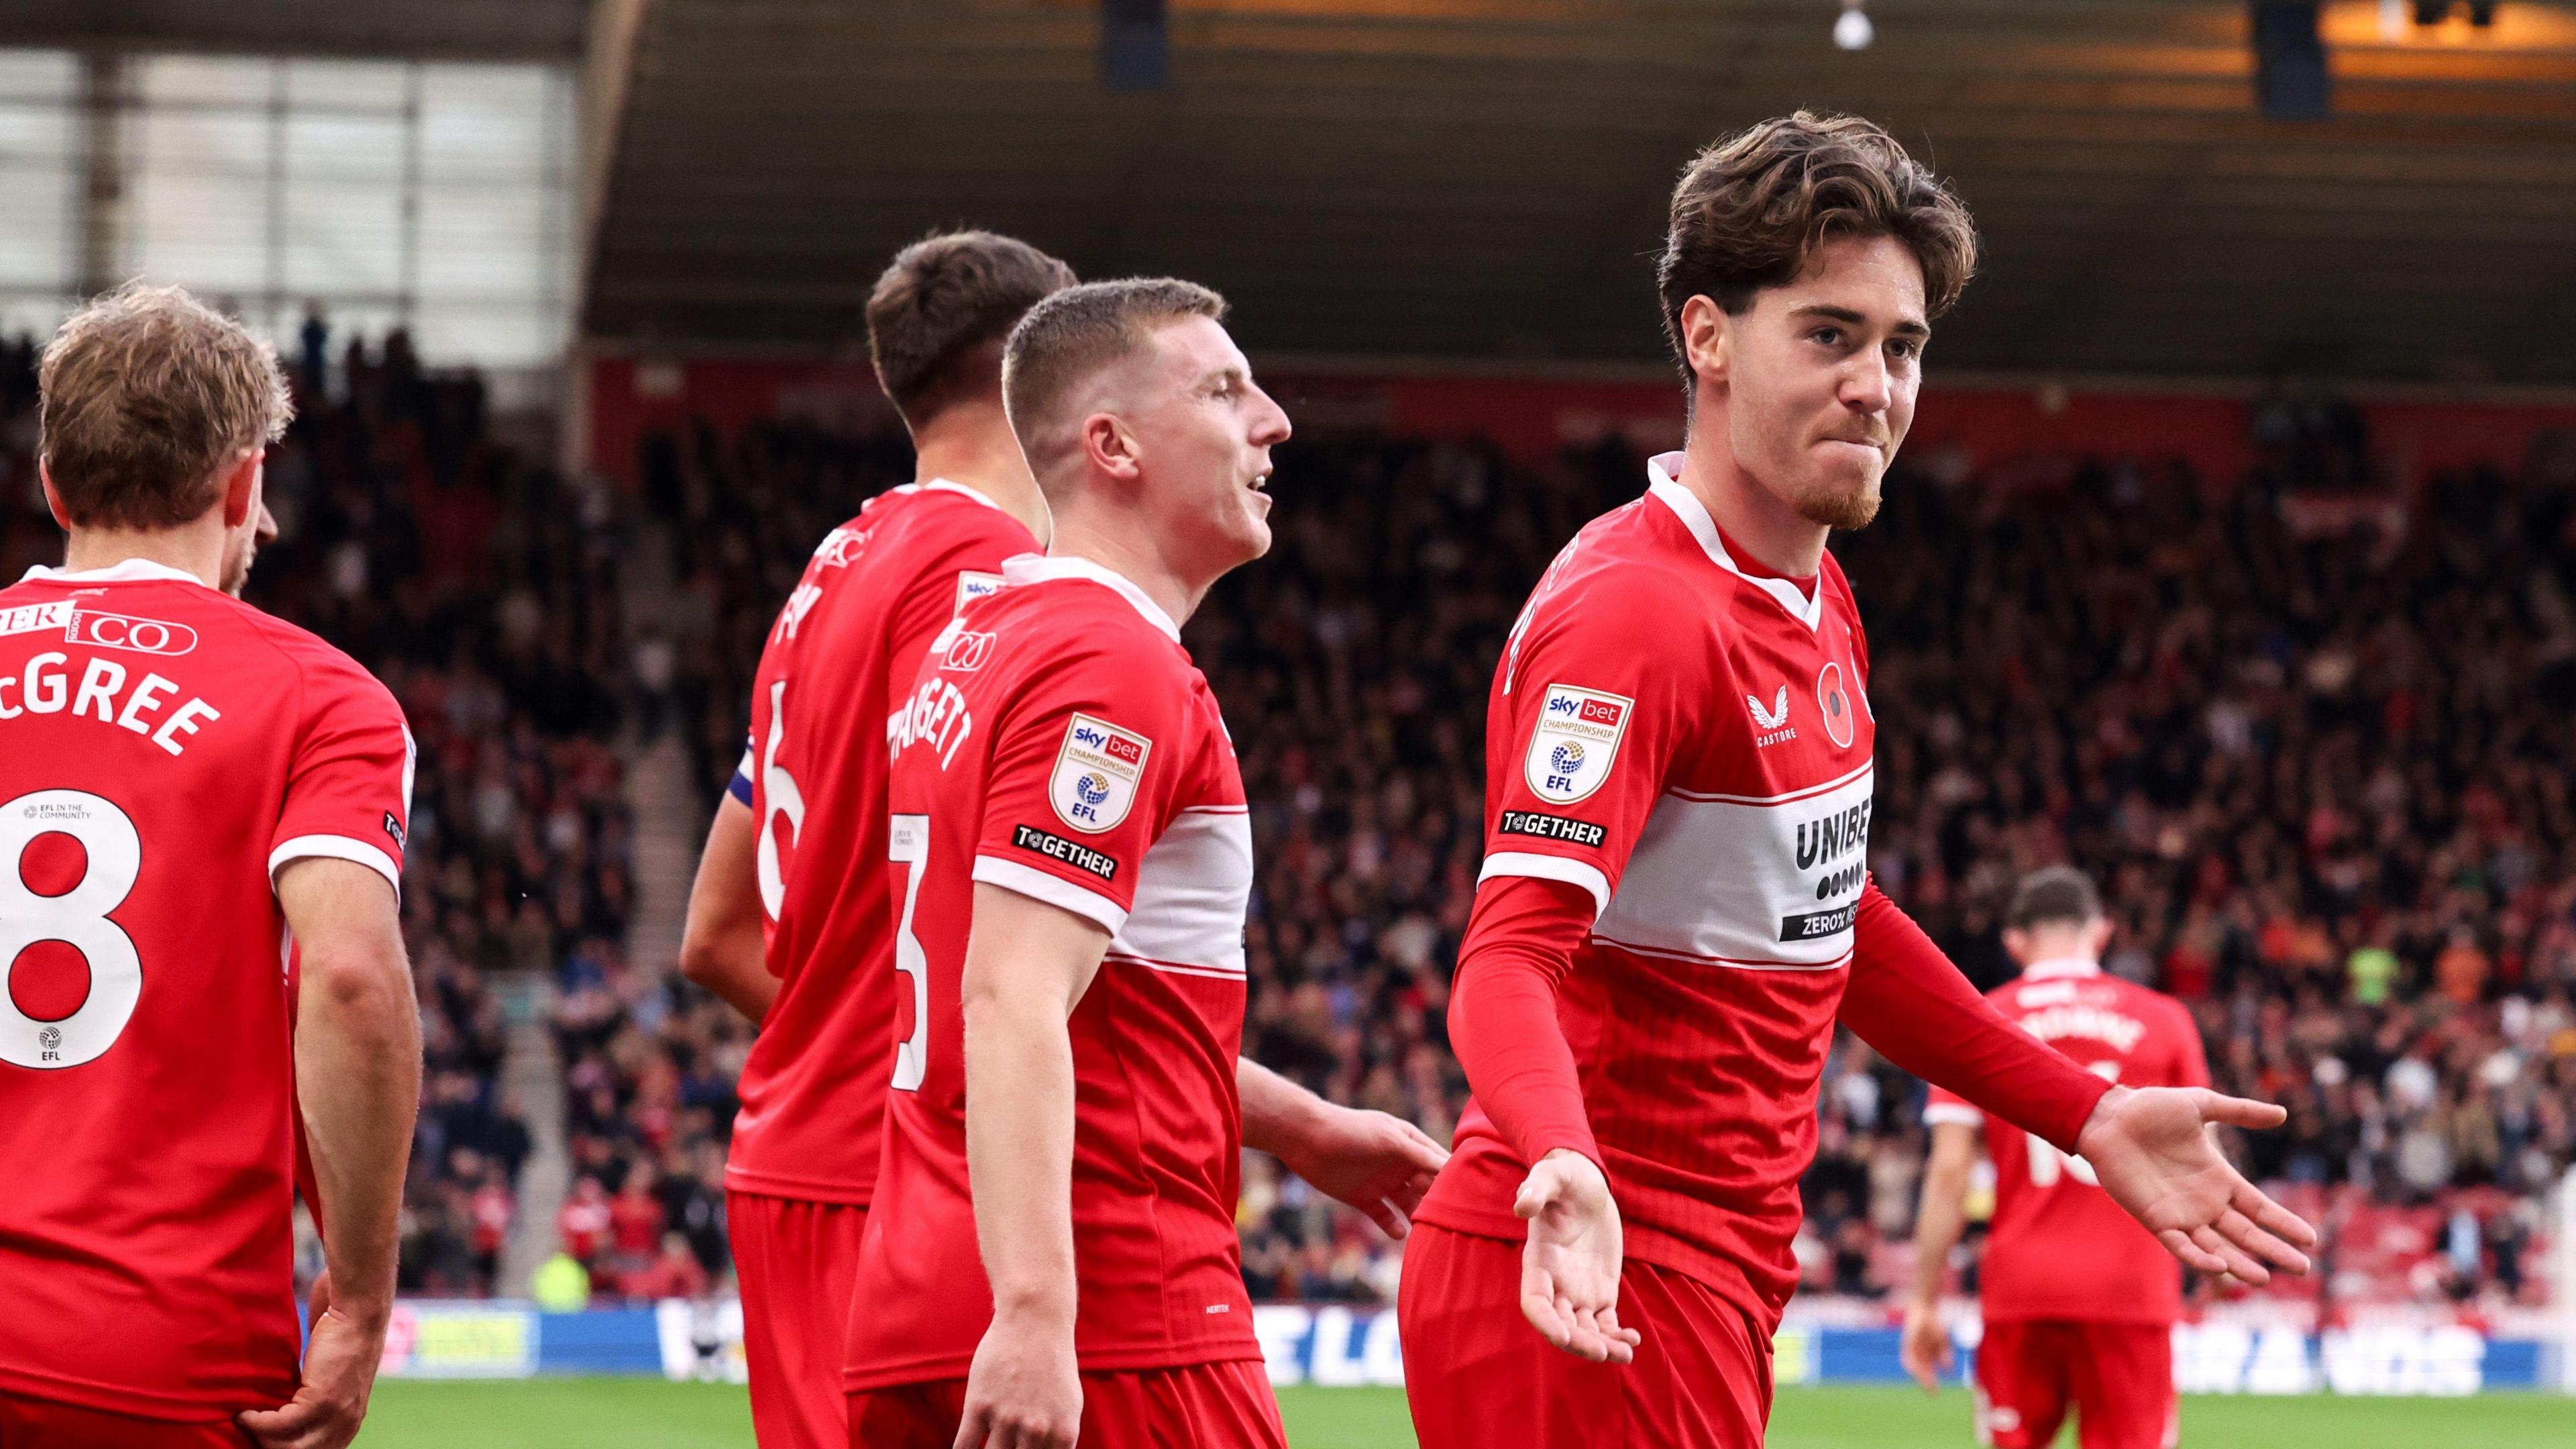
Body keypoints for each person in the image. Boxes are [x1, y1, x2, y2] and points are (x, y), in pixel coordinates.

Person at [1394, 113, 2316, 1449]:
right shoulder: (1639, 615)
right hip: (1589, 1276)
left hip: (1695, 1275)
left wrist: (2086, 1107)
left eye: (1903, 347)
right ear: (1707, 337)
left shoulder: (1813, 598)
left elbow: (1831, 920)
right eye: (1829, 335)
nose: (1875, 384)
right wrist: (1567, 1162)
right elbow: (1506, 958)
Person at [842, 278, 1449, 1448]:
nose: (1273, 419)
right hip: (1114, 1313)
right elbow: (1014, 995)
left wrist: (1305, 1126)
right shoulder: (1109, 663)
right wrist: (1035, 1312)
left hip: (916, 1307)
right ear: (1112, 444)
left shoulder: (976, 647)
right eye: (1225, 390)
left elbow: (1086, 1008)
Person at [0, 283, 419, 1448]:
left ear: (55, 485)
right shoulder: (322, 698)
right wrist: (364, 1294)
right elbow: (349, 981)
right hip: (161, 1350)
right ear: (242, 485)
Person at [676, 231, 1073, 1449]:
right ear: (1027, 372)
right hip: (908, 1185)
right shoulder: (996, 570)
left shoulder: (835, 569)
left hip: (794, 1162)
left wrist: (845, 1044)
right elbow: (982, 919)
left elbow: (715, 935)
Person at [1900, 867, 2206, 1449]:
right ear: (2102, 933)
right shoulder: (2166, 1021)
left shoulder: (1980, 1020)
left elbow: (1947, 1176)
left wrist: (1923, 1298)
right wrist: (2216, 1260)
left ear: (2014, 942)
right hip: (2132, 1291)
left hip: (2021, 1289)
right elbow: (2201, 1163)